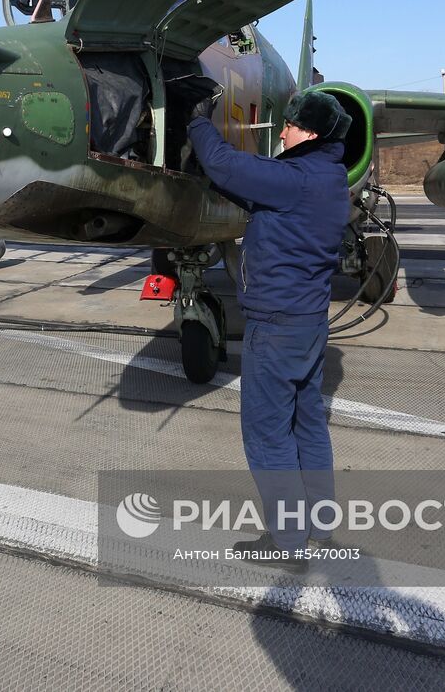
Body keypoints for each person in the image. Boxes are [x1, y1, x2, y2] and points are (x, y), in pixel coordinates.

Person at [186, 87, 352, 570]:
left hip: (275, 326)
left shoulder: (295, 178)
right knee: (308, 424)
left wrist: (198, 120)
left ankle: (288, 542)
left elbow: (225, 164)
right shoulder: (329, 177)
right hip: (308, 323)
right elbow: (257, 190)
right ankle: (319, 524)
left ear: (311, 134)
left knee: (268, 435)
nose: (282, 133)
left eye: (291, 125)